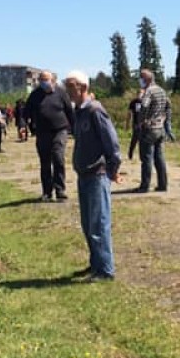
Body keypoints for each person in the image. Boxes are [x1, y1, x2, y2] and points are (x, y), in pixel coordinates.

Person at [65, 70, 122, 282]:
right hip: (84, 174)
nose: (68, 91)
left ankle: (105, 270)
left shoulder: (95, 110)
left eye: (71, 86)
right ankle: (95, 263)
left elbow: (112, 143)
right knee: (88, 224)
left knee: (99, 224)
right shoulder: (79, 112)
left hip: (97, 174)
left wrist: (113, 169)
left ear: (83, 87)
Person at [25, 70, 75, 201]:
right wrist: (25, 126)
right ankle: (47, 192)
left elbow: (69, 111)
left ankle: (60, 189)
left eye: (46, 79)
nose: (43, 82)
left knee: (58, 158)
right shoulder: (35, 95)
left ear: (53, 81)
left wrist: (75, 129)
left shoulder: (61, 93)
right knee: (45, 161)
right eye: (41, 80)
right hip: (42, 132)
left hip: (60, 130)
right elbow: (26, 112)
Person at [136, 68, 169, 192]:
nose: (140, 80)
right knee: (159, 158)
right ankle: (163, 184)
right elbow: (168, 106)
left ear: (147, 79)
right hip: (160, 128)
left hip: (149, 128)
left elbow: (144, 106)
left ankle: (145, 186)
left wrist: (141, 121)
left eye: (141, 77)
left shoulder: (149, 91)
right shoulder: (161, 90)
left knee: (146, 158)